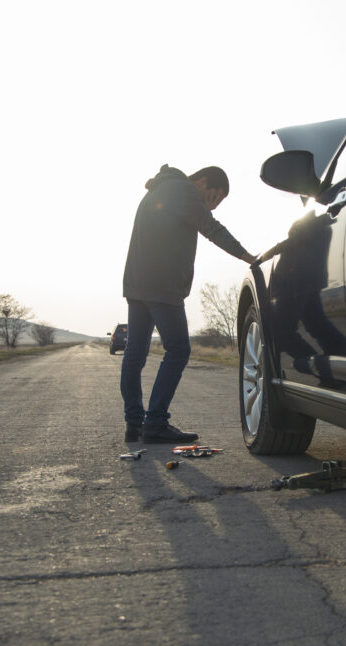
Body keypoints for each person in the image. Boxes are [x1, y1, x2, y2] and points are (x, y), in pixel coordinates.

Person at [120, 164, 258, 443]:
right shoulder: (183, 190)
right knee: (179, 349)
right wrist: (250, 258)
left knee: (134, 353)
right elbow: (213, 229)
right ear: (202, 182)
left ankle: (134, 424)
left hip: (138, 283)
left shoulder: (161, 189)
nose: (213, 207)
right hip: (162, 285)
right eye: (214, 198)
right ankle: (155, 422)